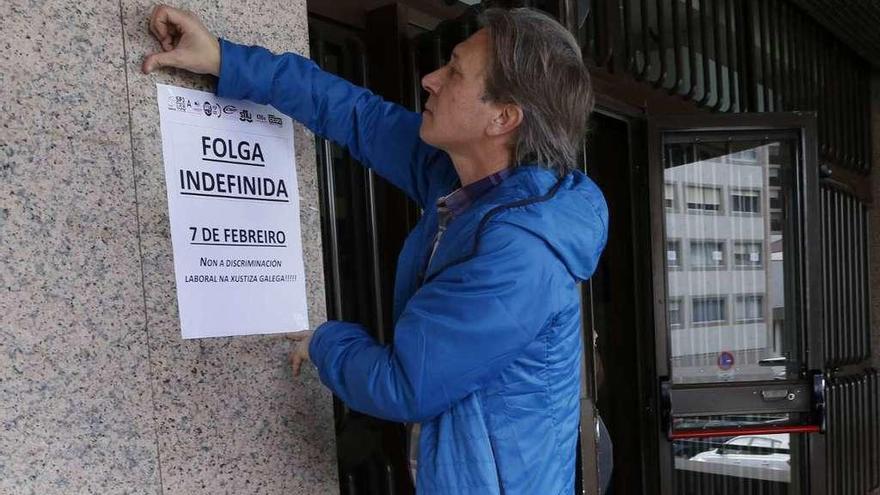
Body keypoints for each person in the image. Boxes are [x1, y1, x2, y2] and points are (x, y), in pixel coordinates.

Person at [144, 5, 608, 494]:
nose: (430, 79)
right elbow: (356, 114)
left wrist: (324, 341)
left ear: (503, 118)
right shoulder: (467, 182)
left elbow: (404, 385)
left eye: (454, 71)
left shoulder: (518, 249)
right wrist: (224, 59)